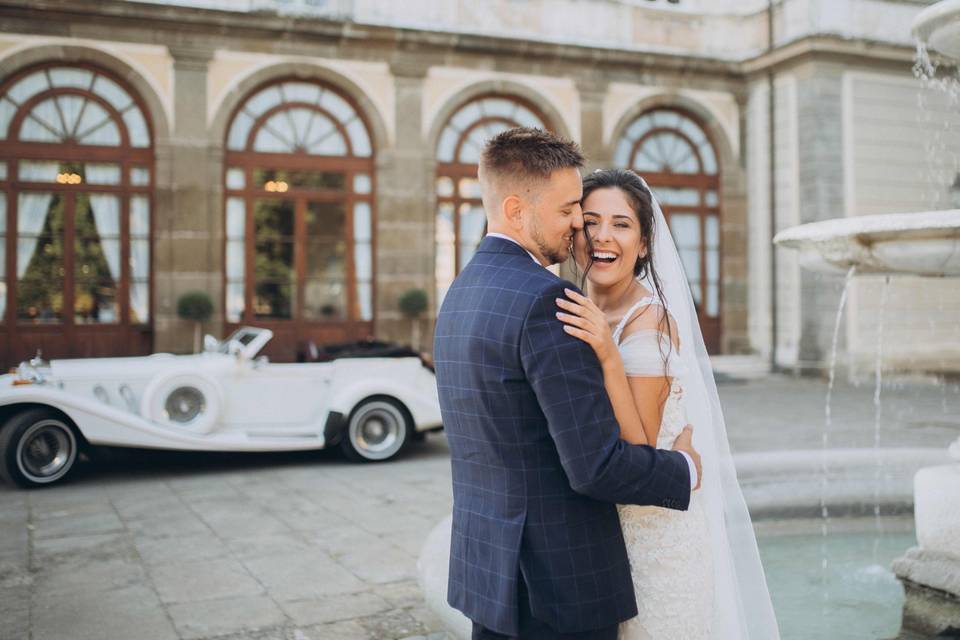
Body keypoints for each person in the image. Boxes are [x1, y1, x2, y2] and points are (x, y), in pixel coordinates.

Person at [433, 127, 701, 640]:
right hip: (558, 586)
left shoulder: (462, 292)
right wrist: (684, 469)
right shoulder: (546, 303)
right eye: (568, 211)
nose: (579, 225)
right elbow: (596, 468)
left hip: (491, 573)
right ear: (516, 209)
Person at [557, 168, 781, 639]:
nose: (602, 236)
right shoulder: (573, 303)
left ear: (642, 244)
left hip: (653, 541)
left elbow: (638, 448)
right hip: (595, 536)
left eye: (621, 224)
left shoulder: (649, 322)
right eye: (591, 221)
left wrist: (607, 353)